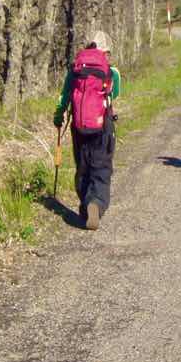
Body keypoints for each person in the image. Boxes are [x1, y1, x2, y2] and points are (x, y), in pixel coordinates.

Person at [54, 31, 121, 230]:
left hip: (79, 126)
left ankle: (85, 206)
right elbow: (115, 94)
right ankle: (96, 203)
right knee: (101, 166)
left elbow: (64, 97)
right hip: (103, 125)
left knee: (83, 166)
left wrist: (58, 117)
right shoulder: (111, 72)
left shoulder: (75, 71)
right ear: (105, 51)